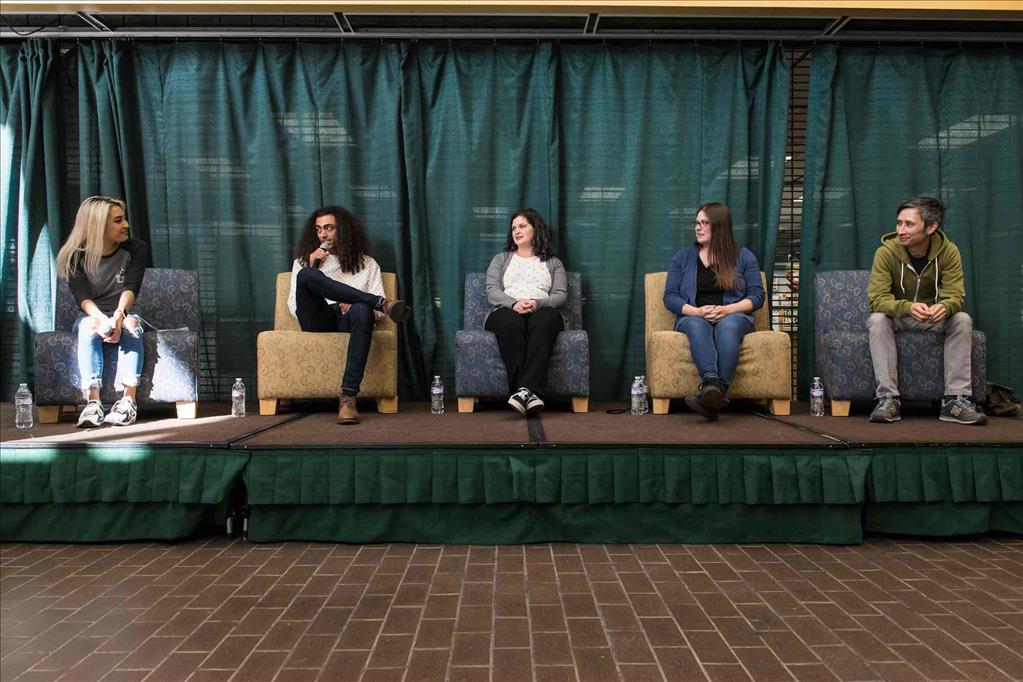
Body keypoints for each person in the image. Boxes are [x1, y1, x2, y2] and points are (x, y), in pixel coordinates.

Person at [866, 196, 986, 425]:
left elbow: (955, 295)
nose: (901, 230)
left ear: (931, 227)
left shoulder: (949, 252)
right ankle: (888, 399)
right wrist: (908, 307)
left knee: (962, 319)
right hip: (899, 317)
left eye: (909, 224)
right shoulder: (886, 252)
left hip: (932, 317)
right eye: (899, 223)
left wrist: (944, 306)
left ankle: (954, 400)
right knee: (877, 319)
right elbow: (876, 299)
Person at [288, 205, 410, 425]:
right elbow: (292, 306)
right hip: (317, 318)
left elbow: (379, 317)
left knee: (363, 309)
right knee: (307, 276)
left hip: (350, 321)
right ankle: (380, 302)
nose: (323, 234)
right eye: (318, 229)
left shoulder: (367, 264)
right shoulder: (304, 261)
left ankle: (348, 398)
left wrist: (354, 303)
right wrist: (313, 266)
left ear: (342, 230)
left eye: (329, 228)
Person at [663, 202, 765, 421]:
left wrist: (727, 309)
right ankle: (712, 386)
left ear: (719, 227)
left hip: (734, 315)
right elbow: (670, 297)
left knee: (728, 325)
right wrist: (697, 311)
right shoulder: (682, 257)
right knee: (695, 324)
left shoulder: (744, 256)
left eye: (704, 223)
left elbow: (757, 296)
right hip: (694, 315)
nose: (698, 228)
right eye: (696, 223)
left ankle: (713, 395)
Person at [56, 196, 148, 427]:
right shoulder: (75, 256)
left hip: (123, 311)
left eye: (124, 219)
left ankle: (128, 401)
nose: (126, 224)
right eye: (118, 221)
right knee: (88, 327)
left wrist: (118, 316)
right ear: (98, 225)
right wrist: (101, 320)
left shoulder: (136, 248)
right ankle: (93, 403)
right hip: (91, 313)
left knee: (132, 326)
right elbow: (82, 298)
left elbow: (131, 287)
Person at [484, 209, 567, 416]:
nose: (516, 231)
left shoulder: (554, 263)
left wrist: (538, 303)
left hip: (541, 310)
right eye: (513, 228)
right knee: (511, 322)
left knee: (546, 319)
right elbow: (492, 291)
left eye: (522, 226)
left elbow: (560, 295)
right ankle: (530, 392)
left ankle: (522, 392)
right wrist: (514, 304)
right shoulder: (501, 259)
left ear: (535, 229)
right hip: (506, 310)